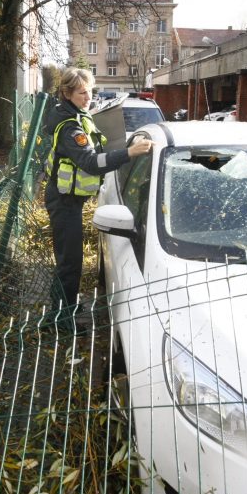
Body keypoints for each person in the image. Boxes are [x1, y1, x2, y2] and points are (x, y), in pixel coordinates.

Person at [44, 68, 154, 315]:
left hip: (68, 198)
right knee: (69, 262)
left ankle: (65, 306)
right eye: (82, 92)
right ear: (67, 93)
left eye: (90, 91)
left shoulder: (76, 114)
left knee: (69, 259)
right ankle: (61, 317)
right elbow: (91, 163)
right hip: (63, 201)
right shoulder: (70, 127)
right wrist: (130, 153)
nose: (88, 97)